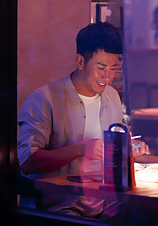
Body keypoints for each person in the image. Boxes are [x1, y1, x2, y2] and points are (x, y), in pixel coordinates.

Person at [17, 22, 150, 220]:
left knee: (156, 217)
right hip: (62, 207)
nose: (108, 77)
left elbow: (109, 156)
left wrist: (126, 150)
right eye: (101, 67)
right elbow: (27, 162)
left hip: (108, 203)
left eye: (113, 68)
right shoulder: (44, 99)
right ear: (80, 62)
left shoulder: (112, 96)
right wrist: (81, 149)